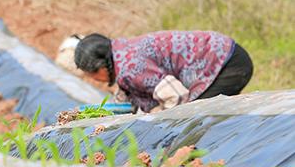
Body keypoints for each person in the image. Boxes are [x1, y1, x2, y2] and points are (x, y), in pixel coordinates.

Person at [70, 31, 253, 113]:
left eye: (90, 74)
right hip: (224, 54)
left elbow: (177, 96)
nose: (93, 79)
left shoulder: (131, 68)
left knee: (198, 116)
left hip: (226, 64)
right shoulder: (120, 51)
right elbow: (128, 98)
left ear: (101, 67)